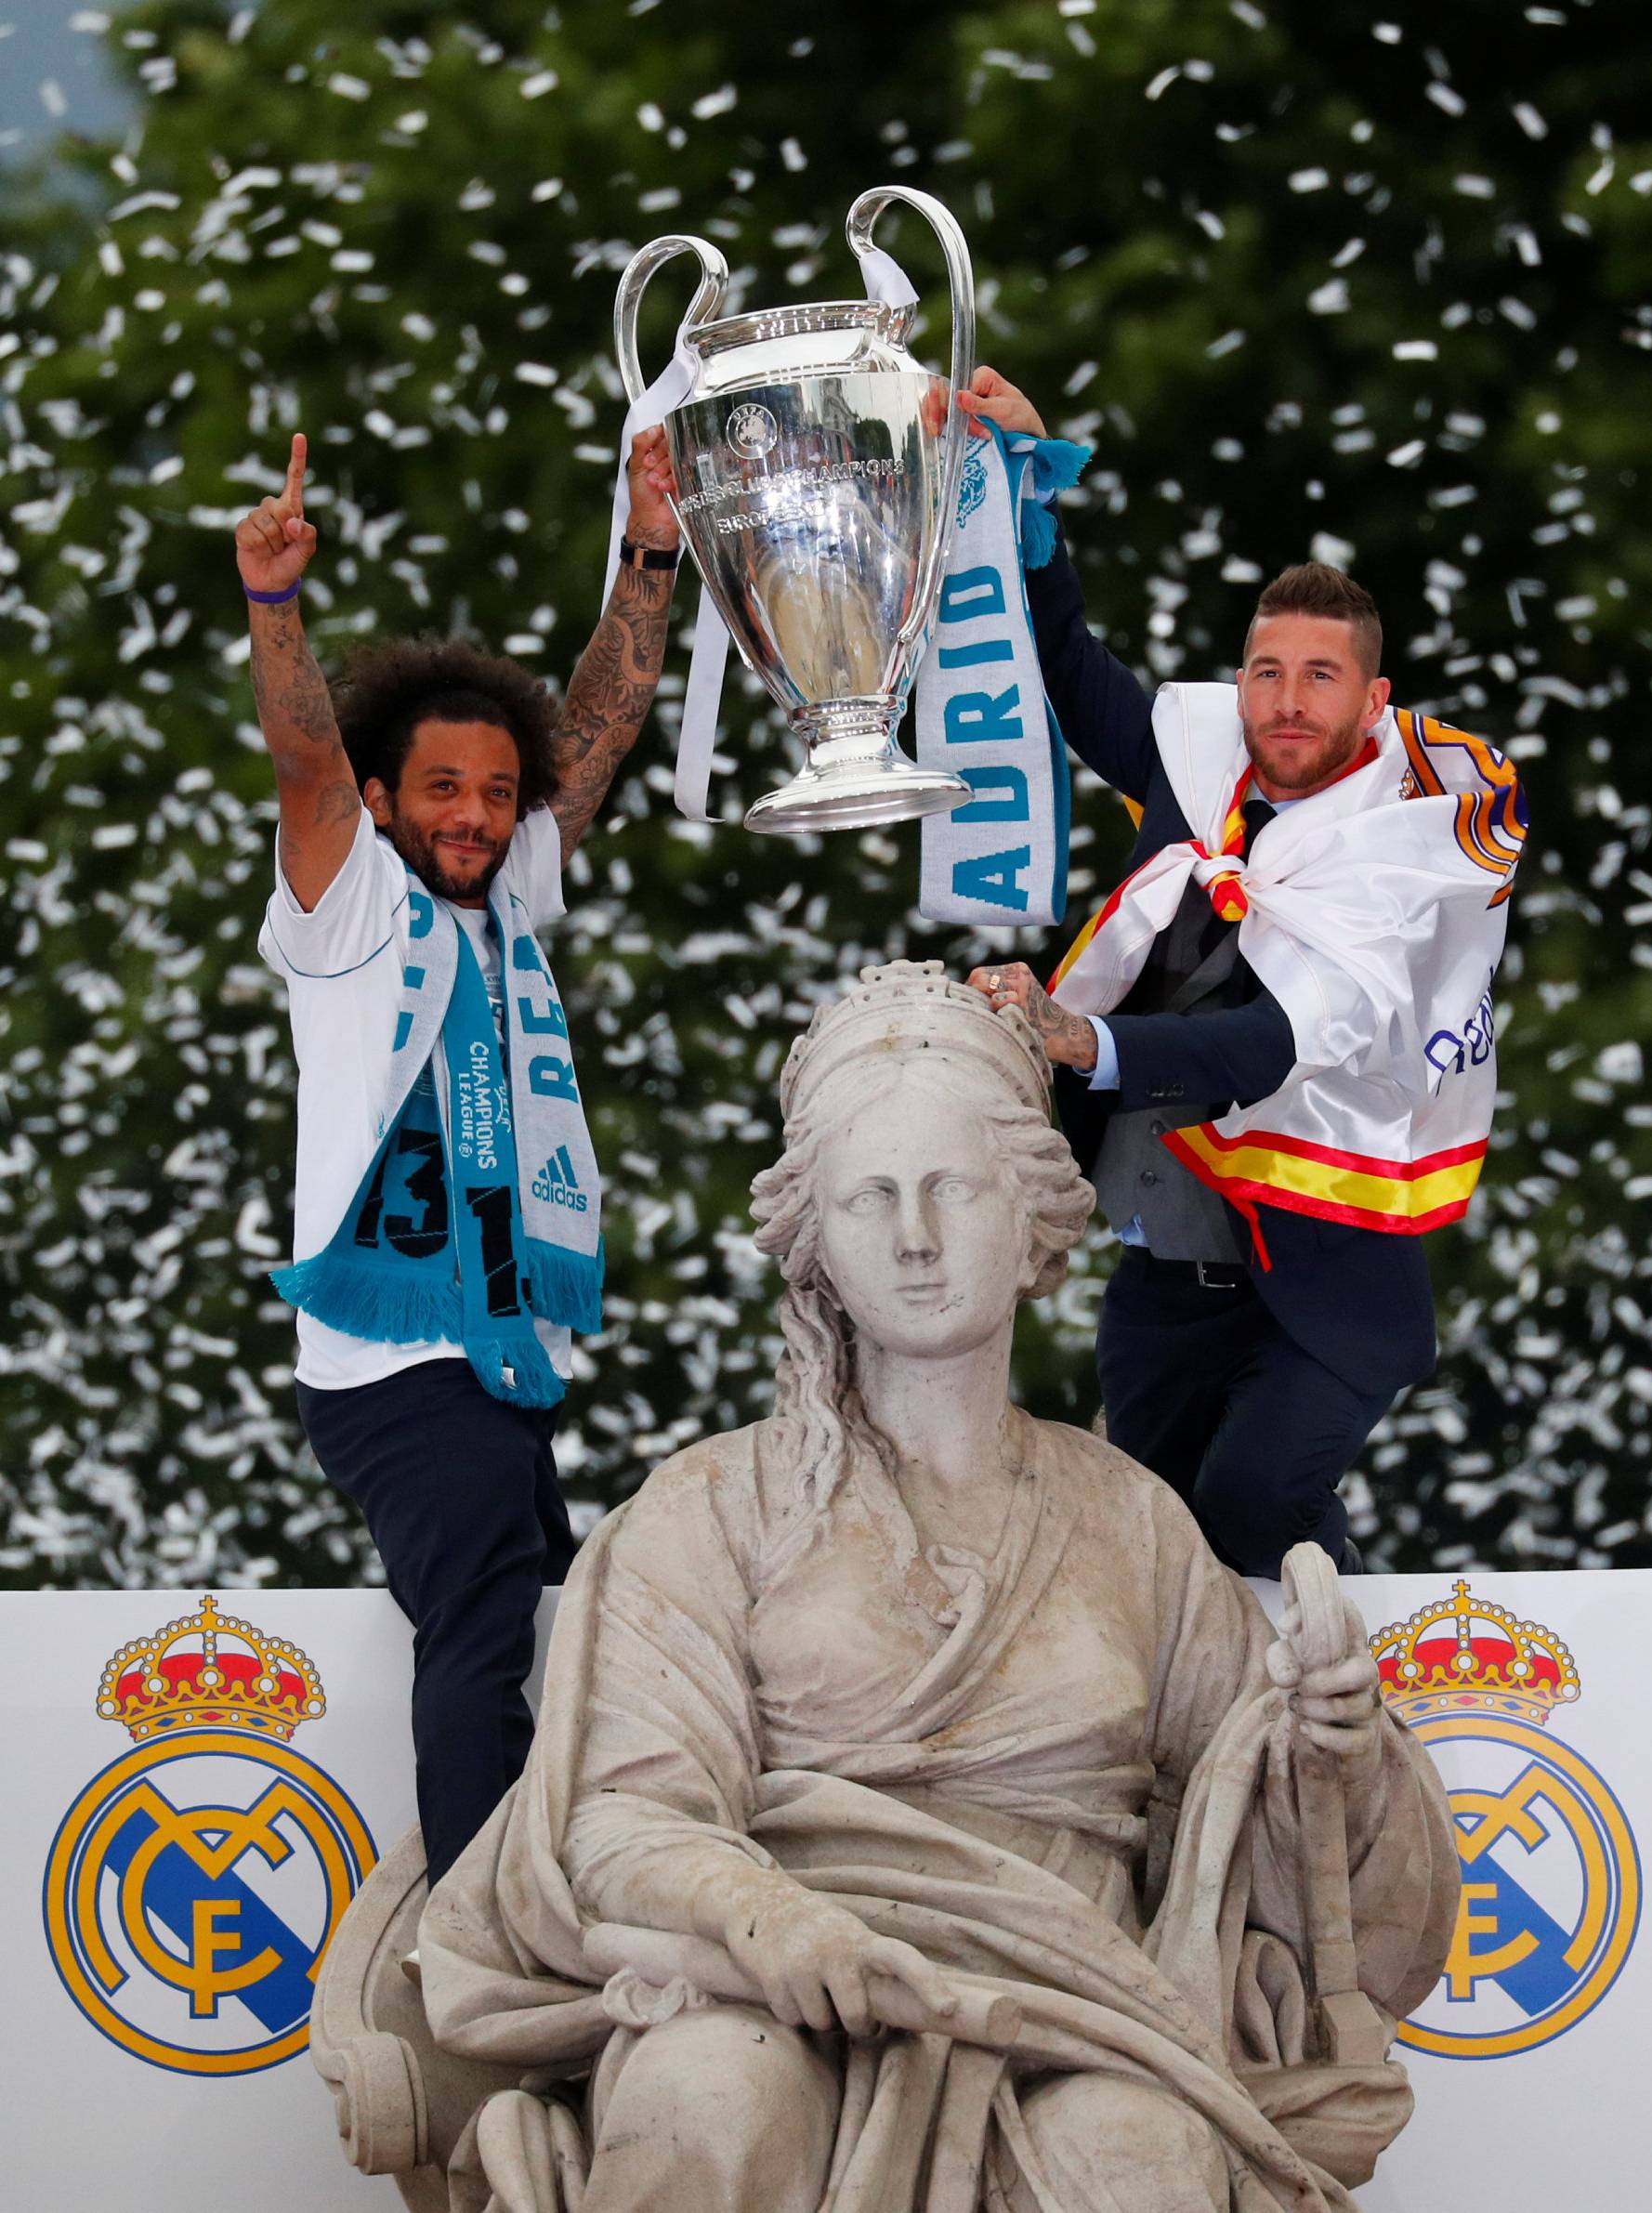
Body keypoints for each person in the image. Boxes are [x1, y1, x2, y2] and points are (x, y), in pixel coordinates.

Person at [413, 962, 1458, 2213]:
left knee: (1141, 2162)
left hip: (1075, 2007)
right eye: (869, 1197)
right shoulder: (707, 1507)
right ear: (816, 1239)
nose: (913, 1237)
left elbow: (1266, 1850)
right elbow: (624, 1819)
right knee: (711, 2102)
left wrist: (1330, 1750)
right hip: (767, 1986)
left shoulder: (1131, 1519)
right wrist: (773, 1922)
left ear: (1033, 1218)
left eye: (952, 1188)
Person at [958, 366, 1526, 1581]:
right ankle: (1239, 1756)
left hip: (1323, 1281)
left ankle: (1361, 1724)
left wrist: (1081, 1039)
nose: (1285, 700)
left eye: (1320, 676)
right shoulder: (1201, 763)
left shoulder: (1398, 852)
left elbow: (1264, 1045)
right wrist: (1024, 491)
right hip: (1168, 1264)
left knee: (1251, 1510)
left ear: (1373, 702)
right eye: (1266, 671)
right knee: (1145, 1560)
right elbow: (1067, 667)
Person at [239, 427, 681, 1883]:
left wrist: (650, 547)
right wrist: (277, 606)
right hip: (391, 1359)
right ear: (383, 800)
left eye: (496, 793)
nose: (476, 816)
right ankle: (475, 1954)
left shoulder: (508, 892)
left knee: (563, 1620)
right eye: (442, 790)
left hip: (495, 1347)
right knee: (488, 1629)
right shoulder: (349, 898)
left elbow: (604, 724)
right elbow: (304, 749)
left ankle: (539, 1899)